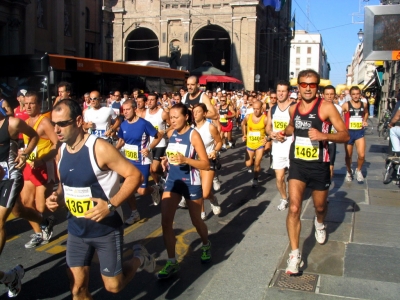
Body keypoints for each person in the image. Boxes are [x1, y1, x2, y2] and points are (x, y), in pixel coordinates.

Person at [46, 99, 155, 298]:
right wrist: (56, 197)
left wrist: (111, 205)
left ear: (78, 121)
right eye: (54, 124)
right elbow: (65, 185)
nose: (57, 129)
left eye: (62, 124)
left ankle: (140, 258)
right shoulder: (61, 151)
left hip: (105, 229)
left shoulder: (99, 148)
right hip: (76, 230)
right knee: (77, 288)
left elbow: (134, 175)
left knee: (114, 286)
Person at [282, 69, 349, 275]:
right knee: (294, 208)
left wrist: (323, 135)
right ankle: (294, 255)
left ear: (317, 86)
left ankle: (320, 223)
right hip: (298, 164)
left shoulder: (326, 107)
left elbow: (345, 135)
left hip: (319, 165)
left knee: (320, 207)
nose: (308, 88)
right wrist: (282, 132)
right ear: (298, 86)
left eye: (312, 85)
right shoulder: (294, 108)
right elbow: (292, 127)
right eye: (304, 84)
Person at [158, 103, 211, 279]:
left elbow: (205, 164)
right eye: (170, 118)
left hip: (190, 181)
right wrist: (167, 159)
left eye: (176, 117)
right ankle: (172, 262)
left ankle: (205, 243)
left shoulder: (193, 135)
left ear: (186, 117)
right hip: (173, 181)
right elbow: (172, 152)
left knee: (196, 220)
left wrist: (186, 160)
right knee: (166, 222)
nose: (172, 121)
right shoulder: (172, 133)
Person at [16, 91, 58, 248]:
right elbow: (28, 146)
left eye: (31, 103)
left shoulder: (45, 122)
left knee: (40, 207)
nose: (27, 106)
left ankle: (46, 221)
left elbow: (57, 143)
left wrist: (43, 159)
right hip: (29, 166)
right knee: (26, 204)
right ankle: (39, 233)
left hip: (44, 167)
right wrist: (22, 153)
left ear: (39, 105)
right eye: (25, 103)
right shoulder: (26, 123)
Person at [116, 100, 162, 225]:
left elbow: (158, 136)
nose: (125, 112)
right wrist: (113, 151)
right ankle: (134, 213)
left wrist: (149, 148)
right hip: (129, 162)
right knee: (128, 189)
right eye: (123, 110)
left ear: (135, 109)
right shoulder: (124, 124)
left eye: (127, 109)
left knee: (141, 191)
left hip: (142, 161)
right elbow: (121, 141)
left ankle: (154, 189)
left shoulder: (144, 124)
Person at [1, 110, 39, 257]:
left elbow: (34, 135)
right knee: (18, 211)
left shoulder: (12, 123)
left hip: (10, 175)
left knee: (0, 221)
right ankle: (43, 221)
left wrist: (25, 153)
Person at [266, 80, 293, 211]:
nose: (281, 94)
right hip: (277, 148)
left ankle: (295, 199)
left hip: (292, 148)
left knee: (293, 179)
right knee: (279, 177)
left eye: (283, 91)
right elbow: (267, 127)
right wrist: (271, 134)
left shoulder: (294, 107)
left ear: (288, 92)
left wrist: (285, 134)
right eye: (278, 91)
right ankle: (284, 198)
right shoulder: (272, 108)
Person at [193, 103, 222, 220]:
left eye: (198, 111)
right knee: (197, 189)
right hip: (195, 161)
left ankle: (212, 199)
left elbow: (219, 142)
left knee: (205, 193)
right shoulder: (191, 129)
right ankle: (202, 211)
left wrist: (215, 151)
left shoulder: (210, 127)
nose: (195, 114)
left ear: (205, 114)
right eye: (194, 111)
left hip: (209, 161)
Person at [341, 86, 368, 183]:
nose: (356, 96)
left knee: (361, 155)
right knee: (348, 155)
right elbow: (338, 115)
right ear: (350, 95)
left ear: (360, 94)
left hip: (359, 132)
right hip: (349, 133)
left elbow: (366, 113)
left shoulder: (364, 104)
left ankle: (358, 170)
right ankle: (348, 171)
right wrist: (342, 125)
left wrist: (364, 121)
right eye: (353, 94)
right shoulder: (346, 105)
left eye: (357, 94)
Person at [144, 93, 170, 189]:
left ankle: (164, 174)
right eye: (148, 100)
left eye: (152, 100)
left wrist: (164, 131)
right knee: (151, 170)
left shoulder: (162, 113)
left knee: (154, 168)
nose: (150, 102)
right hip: (148, 144)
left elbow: (172, 125)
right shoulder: (144, 113)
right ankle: (158, 184)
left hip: (160, 143)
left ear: (157, 101)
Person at [241, 100, 268, 188]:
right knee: (248, 164)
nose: (255, 111)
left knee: (257, 163)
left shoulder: (265, 118)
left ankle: (255, 178)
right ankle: (253, 166)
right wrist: (244, 134)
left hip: (260, 144)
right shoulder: (248, 116)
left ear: (261, 109)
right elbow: (243, 124)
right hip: (250, 144)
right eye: (254, 109)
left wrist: (266, 138)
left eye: (257, 109)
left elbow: (269, 130)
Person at [323, 85, 343, 179]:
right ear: (323, 95)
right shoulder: (319, 107)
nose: (329, 96)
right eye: (327, 94)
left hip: (331, 141)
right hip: (320, 141)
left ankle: (327, 185)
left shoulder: (339, 109)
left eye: (331, 94)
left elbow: (340, 125)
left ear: (334, 95)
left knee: (331, 166)